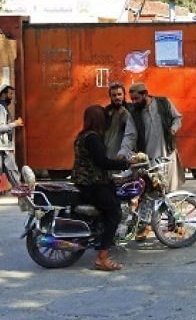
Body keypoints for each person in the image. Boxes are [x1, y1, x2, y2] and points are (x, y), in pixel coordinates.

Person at [72, 105, 132, 271]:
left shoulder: (82, 135)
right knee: (114, 212)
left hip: (86, 182)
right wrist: (126, 163)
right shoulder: (93, 138)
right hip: (93, 184)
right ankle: (102, 257)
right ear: (99, 120)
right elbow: (102, 162)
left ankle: (102, 238)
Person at [118, 82, 184, 192]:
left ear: (145, 94)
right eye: (132, 99)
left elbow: (177, 118)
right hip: (149, 157)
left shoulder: (164, 103)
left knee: (169, 188)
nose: (134, 102)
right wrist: (122, 152)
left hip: (167, 153)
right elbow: (130, 135)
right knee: (153, 188)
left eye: (136, 98)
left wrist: (174, 128)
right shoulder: (134, 113)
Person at [104, 83, 130, 160]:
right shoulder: (107, 111)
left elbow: (133, 129)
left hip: (125, 150)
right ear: (110, 97)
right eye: (114, 95)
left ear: (124, 95)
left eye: (119, 94)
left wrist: (125, 114)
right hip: (109, 151)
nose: (117, 97)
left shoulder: (131, 109)